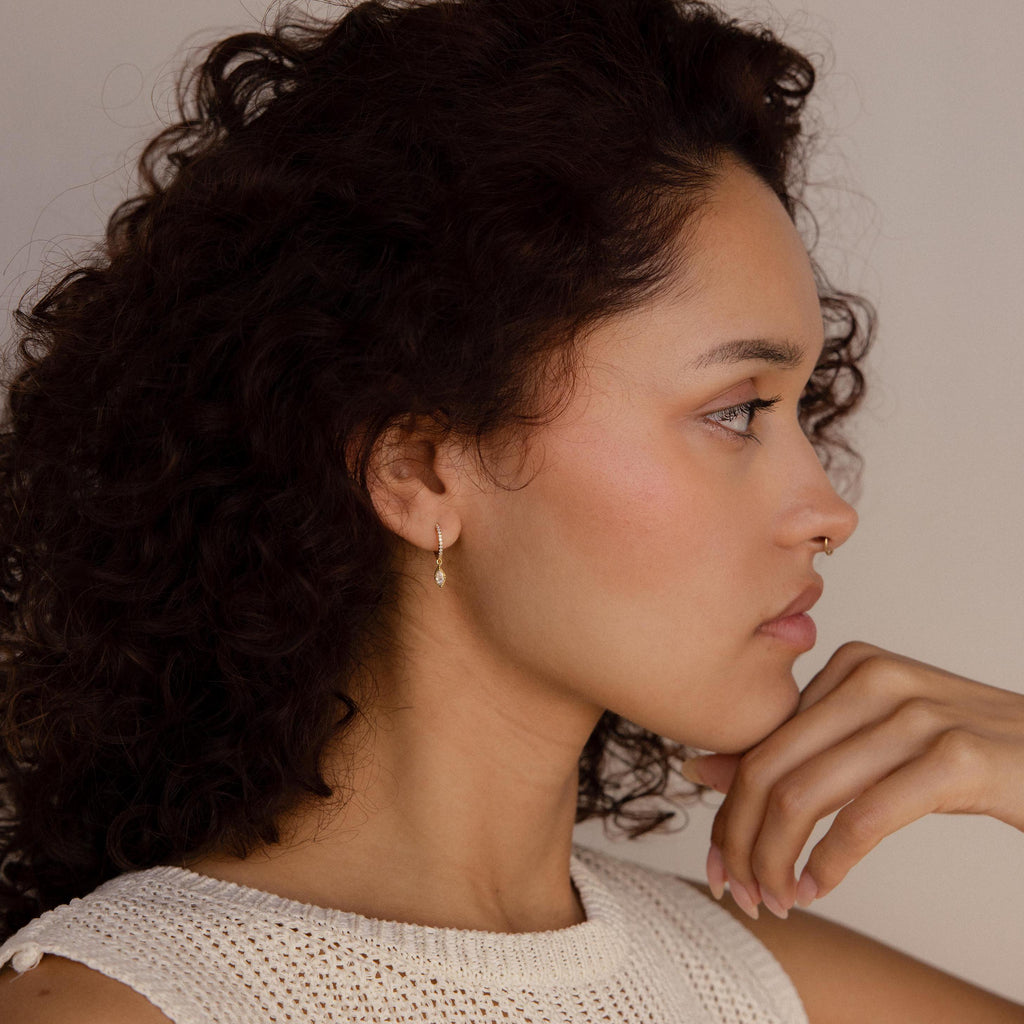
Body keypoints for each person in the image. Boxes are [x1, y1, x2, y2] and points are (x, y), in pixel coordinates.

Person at [0, 0, 1022, 1020]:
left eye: (801, 408)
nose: (827, 511)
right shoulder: (129, 1004)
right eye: (736, 410)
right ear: (422, 470)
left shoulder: (760, 985)